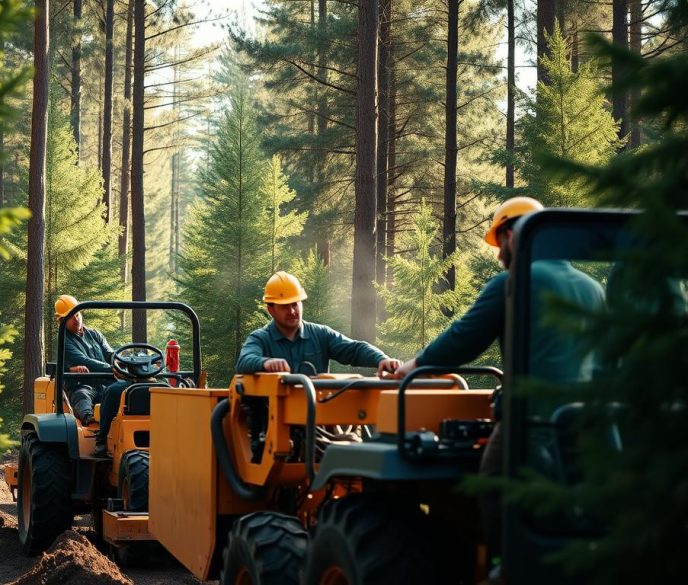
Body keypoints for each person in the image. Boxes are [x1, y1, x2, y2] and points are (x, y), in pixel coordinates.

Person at [392, 196, 605, 572]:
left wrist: (412, 366)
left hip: (531, 421)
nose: (498, 255)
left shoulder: (514, 281)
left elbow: (463, 339)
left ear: (510, 235)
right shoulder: (591, 288)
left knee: (489, 479)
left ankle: (505, 565)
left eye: (498, 243)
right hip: (587, 422)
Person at [235, 271, 401, 377]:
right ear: (271, 310)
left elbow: (355, 349)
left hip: (317, 420)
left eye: (295, 304)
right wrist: (266, 363)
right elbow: (244, 361)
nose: (292, 311)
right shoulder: (260, 339)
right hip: (273, 425)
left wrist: (381, 359)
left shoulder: (320, 334)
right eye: (285, 306)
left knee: (350, 435)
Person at [56, 295, 114, 426]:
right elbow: (84, 360)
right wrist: (112, 369)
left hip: (105, 383)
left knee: (122, 390)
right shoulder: (64, 340)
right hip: (81, 384)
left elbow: (110, 354)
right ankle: (89, 419)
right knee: (82, 395)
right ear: (62, 321)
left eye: (77, 315)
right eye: (70, 318)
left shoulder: (95, 334)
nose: (76, 320)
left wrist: (121, 363)